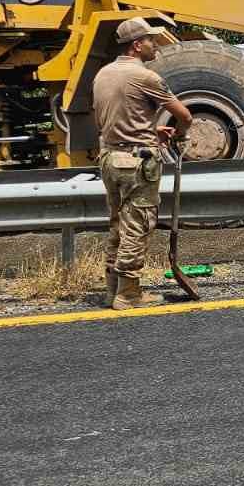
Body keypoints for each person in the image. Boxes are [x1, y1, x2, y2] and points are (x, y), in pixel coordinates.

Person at [92, 16, 193, 310]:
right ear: (137, 46)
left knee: (117, 224)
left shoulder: (103, 74)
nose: (155, 44)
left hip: (110, 157)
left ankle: (112, 289)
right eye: (150, 40)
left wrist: (150, 130)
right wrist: (179, 135)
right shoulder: (146, 77)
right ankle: (129, 294)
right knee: (138, 226)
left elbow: (111, 117)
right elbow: (184, 115)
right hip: (138, 162)